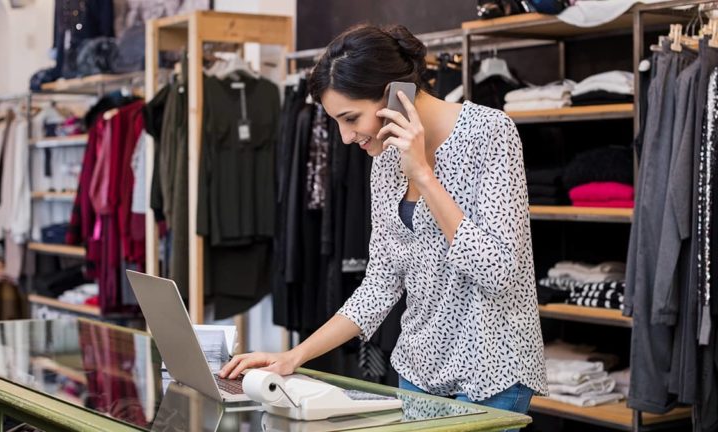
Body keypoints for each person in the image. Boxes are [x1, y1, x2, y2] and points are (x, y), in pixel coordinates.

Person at [220, 23, 547, 415]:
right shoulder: (384, 160)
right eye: (337, 122)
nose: (345, 137)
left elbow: (499, 272)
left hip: (492, 373)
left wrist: (424, 175)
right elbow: (380, 284)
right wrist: (293, 356)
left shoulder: (490, 133)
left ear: (395, 94)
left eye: (351, 118)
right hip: (419, 372)